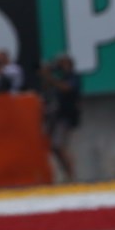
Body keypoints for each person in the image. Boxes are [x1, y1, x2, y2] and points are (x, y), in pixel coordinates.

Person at [40, 54, 82, 182]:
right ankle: (66, 173)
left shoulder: (73, 77)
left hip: (66, 115)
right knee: (54, 147)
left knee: (59, 145)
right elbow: (48, 89)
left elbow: (67, 88)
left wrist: (50, 78)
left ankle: (70, 174)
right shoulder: (61, 77)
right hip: (56, 115)